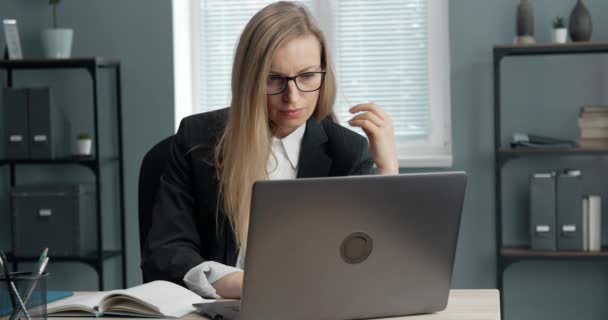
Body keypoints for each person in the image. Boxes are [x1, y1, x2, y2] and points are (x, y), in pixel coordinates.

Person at [141, 1, 398, 299]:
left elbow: (373, 266)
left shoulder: (347, 150)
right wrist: (241, 285)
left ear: (324, 73)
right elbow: (165, 251)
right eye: (274, 79)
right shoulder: (197, 138)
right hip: (223, 308)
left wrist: (388, 173)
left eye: (307, 76)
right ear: (249, 79)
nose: (293, 96)